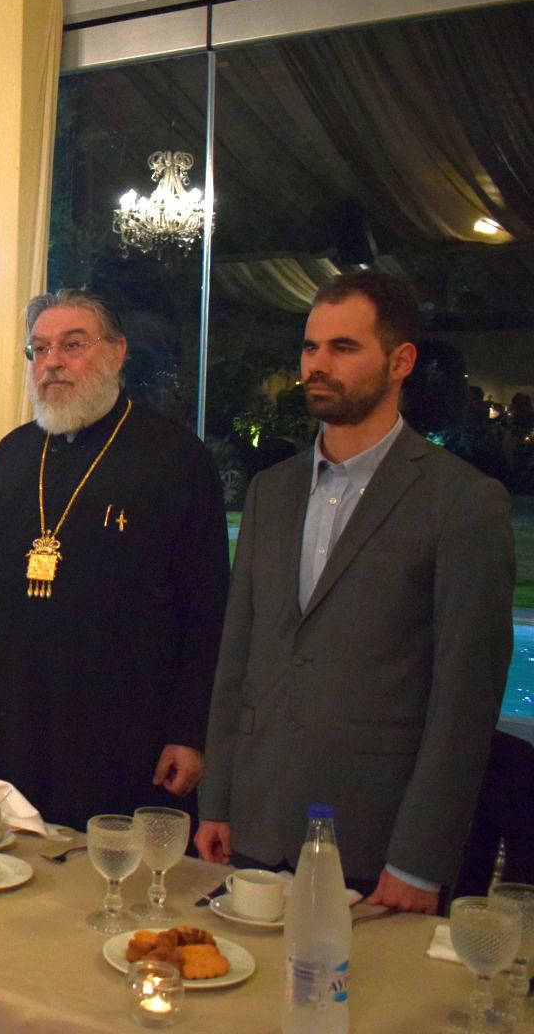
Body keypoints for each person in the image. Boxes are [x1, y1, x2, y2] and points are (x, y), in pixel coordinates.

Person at [195, 270, 513, 913]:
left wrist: (419, 859)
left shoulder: (462, 502)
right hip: (255, 822)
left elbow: (465, 700)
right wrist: (218, 799)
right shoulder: (270, 492)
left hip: (374, 837)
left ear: (401, 361)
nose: (318, 364)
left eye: (344, 347)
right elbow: (239, 656)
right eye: (311, 347)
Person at [0, 289, 229, 831]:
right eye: (40, 349)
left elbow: (205, 610)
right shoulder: (12, 454)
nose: (52, 363)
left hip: (118, 723)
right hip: (5, 714)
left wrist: (189, 732)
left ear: (117, 352)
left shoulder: (176, 459)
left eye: (72, 345)